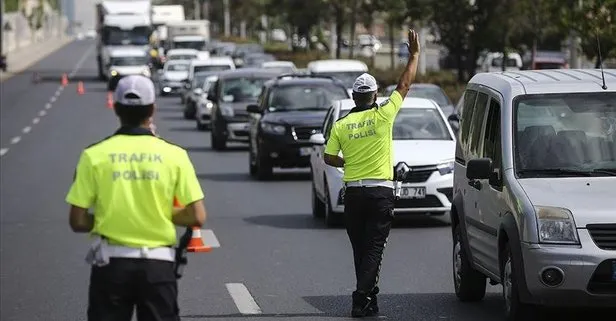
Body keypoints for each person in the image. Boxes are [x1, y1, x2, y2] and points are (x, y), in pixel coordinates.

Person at [66, 75, 207, 321]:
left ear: (117, 108)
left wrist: (108, 217)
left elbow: (77, 221)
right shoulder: (175, 155)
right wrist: (161, 214)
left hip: (111, 266)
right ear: (152, 109)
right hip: (158, 267)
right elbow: (197, 215)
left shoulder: (94, 156)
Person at [323, 29, 420, 318]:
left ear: (354, 97)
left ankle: (369, 300)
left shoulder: (341, 125)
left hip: (353, 193)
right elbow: (404, 85)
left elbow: (328, 157)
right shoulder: (383, 115)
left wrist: (348, 162)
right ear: (375, 95)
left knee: (361, 249)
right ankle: (360, 298)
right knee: (375, 248)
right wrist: (414, 55)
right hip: (380, 193)